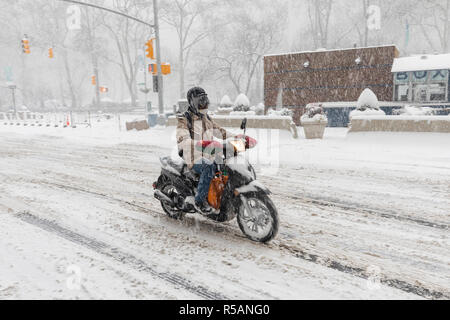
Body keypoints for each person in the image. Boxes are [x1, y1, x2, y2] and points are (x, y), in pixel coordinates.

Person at [176, 87, 236, 215]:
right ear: (192, 102)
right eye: (200, 100)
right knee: (208, 167)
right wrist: (200, 144)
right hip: (193, 156)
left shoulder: (206, 118)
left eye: (205, 100)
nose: (204, 103)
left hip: (210, 152)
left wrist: (236, 137)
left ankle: (220, 197)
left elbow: (220, 132)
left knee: (225, 165)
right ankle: (200, 201)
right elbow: (182, 140)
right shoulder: (184, 119)